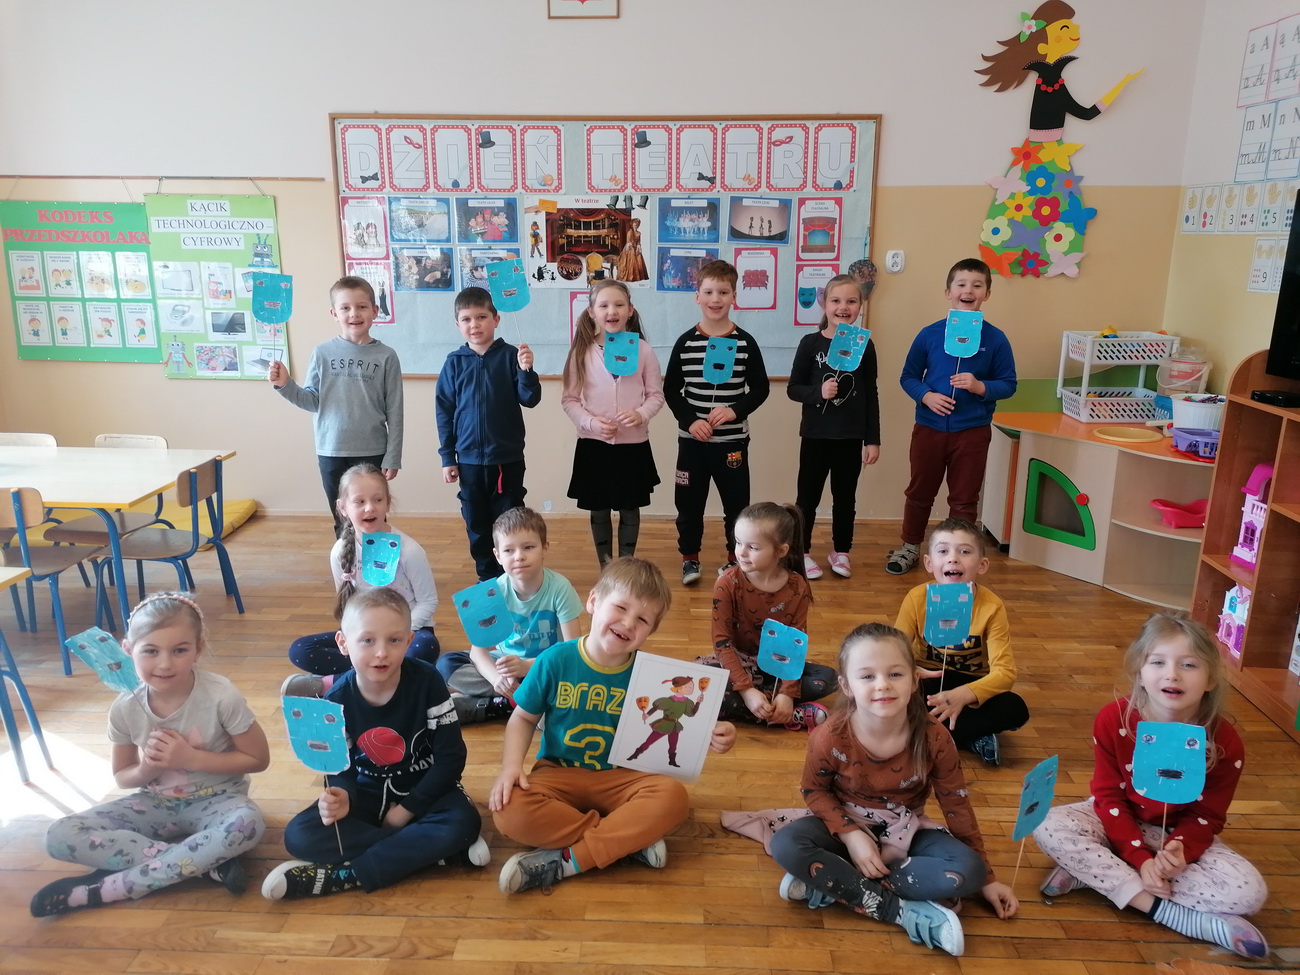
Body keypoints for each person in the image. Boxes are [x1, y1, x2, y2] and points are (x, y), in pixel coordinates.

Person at [488, 558, 737, 894]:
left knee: (673, 797)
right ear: (593, 601)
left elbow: (678, 721)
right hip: (558, 773)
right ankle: (625, 840)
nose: (628, 623)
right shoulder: (554, 659)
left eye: (642, 619)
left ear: (651, 631)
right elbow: (523, 717)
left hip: (623, 779)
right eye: (620, 608)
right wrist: (510, 767)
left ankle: (570, 860)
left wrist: (711, 733)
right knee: (508, 809)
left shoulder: (653, 676)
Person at [771, 622, 1018, 957]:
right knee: (786, 844)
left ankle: (835, 882)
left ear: (914, 680)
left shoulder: (935, 737)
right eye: (867, 676)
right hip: (844, 825)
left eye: (895, 674)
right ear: (846, 686)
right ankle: (898, 911)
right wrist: (851, 836)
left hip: (907, 828)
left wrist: (987, 878)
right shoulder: (829, 735)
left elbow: (956, 805)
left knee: (969, 872)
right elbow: (814, 791)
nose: (882, 685)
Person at [1032, 613, 1269, 959]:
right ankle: (1167, 912)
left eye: (1189, 665)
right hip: (1117, 817)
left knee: (1248, 893)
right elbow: (1109, 797)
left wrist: (1178, 853)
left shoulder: (1224, 742)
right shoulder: (1114, 720)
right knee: (1048, 825)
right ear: (1139, 673)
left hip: (1176, 832)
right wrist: (1140, 859)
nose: (1172, 674)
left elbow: (1207, 816)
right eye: (1158, 662)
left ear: (1210, 680)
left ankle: (1100, 874)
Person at [32, 593, 269, 917]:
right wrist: (146, 768)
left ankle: (109, 889)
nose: (165, 663)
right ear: (128, 650)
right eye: (151, 651)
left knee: (248, 824)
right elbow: (122, 776)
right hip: (154, 803)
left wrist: (190, 759)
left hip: (220, 801)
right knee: (59, 836)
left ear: (198, 648)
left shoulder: (221, 696)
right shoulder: (125, 708)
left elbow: (258, 759)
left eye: (179, 650)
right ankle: (204, 865)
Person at [264, 587, 487, 899]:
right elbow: (340, 770)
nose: (381, 652)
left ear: (409, 641)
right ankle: (433, 851)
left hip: (428, 789)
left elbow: (450, 758)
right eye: (368, 640)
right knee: (300, 835)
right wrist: (341, 794)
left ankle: (347, 875)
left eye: (394, 640)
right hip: (369, 792)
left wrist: (406, 811)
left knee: (463, 822)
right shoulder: (336, 700)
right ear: (343, 643)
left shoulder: (427, 681)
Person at [975, 2, 1141, 277]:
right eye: (1065, 27)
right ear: (1044, 44)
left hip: (1048, 154)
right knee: (1035, 206)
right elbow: (1086, 113)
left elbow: (1086, 113)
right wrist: (1121, 85)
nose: (1075, 29)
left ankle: (1044, 260)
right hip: (1041, 156)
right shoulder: (1049, 83)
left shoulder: (1052, 82)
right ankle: (1023, 259)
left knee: (1050, 208)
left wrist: (1121, 86)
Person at [886, 259, 1016, 575]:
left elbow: (1009, 384)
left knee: (964, 499)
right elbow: (908, 376)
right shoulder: (929, 335)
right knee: (919, 492)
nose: (968, 290)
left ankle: (959, 555)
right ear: (948, 292)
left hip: (972, 432)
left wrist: (980, 386)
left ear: (987, 294)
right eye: (961, 284)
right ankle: (910, 547)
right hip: (929, 429)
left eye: (977, 285)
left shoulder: (995, 339)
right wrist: (926, 395)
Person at [282, 463, 440, 695]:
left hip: (405, 632)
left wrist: (399, 633)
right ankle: (386, 675)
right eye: (359, 501)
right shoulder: (340, 552)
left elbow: (428, 601)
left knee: (425, 647)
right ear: (342, 508)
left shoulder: (409, 550)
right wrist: (357, 640)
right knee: (300, 650)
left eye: (378, 500)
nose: (370, 508)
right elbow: (347, 606)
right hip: (365, 634)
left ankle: (334, 682)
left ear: (388, 503)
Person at [268, 275, 404, 535]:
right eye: (345, 308)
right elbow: (311, 401)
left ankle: (376, 562)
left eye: (362, 306)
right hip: (331, 450)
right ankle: (347, 561)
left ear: (375, 311)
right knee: (343, 518)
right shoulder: (322, 353)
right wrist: (285, 384)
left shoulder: (387, 356)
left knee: (373, 517)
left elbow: (395, 410)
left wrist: (393, 455)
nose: (354, 313)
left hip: (373, 450)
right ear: (334, 313)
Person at [663, 259, 770, 584]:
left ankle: (735, 560)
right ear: (697, 296)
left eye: (723, 292)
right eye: (708, 292)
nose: (715, 298)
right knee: (688, 505)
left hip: (731, 443)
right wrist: (690, 421)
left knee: (736, 506)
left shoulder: (745, 343)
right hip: (692, 442)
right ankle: (690, 559)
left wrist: (735, 410)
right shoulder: (685, 343)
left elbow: (760, 389)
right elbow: (671, 390)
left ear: (734, 296)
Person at [893, 518, 1029, 766]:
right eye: (943, 551)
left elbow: (1005, 673)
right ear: (929, 563)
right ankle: (968, 736)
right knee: (891, 694)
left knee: (1014, 708)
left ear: (982, 565)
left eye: (965, 552)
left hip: (972, 684)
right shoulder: (916, 598)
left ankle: (925, 734)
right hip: (928, 679)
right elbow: (894, 652)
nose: (953, 559)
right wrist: (909, 671)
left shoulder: (992, 607)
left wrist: (964, 695)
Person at [435, 507, 583, 723]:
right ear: (497, 556)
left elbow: (572, 650)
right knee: (447, 664)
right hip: (506, 668)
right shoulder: (493, 591)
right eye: (509, 550)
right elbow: (478, 652)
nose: (519, 556)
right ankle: (520, 701)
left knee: (571, 677)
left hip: (546, 666)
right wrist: (497, 680)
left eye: (528, 547)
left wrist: (527, 666)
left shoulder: (560, 588)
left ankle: (501, 704)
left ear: (545, 548)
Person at [697, 502, 836, 731]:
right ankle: (791, 716)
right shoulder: (727, 582)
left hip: (776, 666)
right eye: (738, 542)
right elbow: (722, 644)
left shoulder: (797, 586)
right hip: (737, 664)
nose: (741, 552)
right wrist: (746, 690)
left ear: (781, 551)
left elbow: (794, 644)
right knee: (699, 684)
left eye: (752, 547)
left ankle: (770, 706)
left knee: (827, 678)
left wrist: (787, 693)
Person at [436, 286, 540, 581]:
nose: (475, 325)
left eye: (481, 317)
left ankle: (513, 576)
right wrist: (448, 457)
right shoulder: (454, 363)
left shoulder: (511, 356)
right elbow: (444, 412)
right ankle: (487, 579)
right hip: (469, 462)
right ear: (458, 324)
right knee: (477, 524)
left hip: (506, 460)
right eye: (467, 319)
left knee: (509, 522)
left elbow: (530, 399)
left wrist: (527, 371)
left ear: (496, 319)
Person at [562, 280, 664, 568]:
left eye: (619, 304)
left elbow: (656, 395)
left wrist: (641, 414)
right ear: (591, 312)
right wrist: (590, 423)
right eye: (604, 305)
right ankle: (606, 569)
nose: (612, 311)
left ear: (630, 310)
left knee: (630, 509)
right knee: (599, 510)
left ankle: (626, 569)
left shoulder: (643, 350)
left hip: (633, 447)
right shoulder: (582, 352)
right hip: (594, 446)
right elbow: (570, 400)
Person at [787, 273, 881, 580]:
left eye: (851, 301)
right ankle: (801, 552)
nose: (843, 307)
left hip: (850, 437)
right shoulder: (809, 343)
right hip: (815, 436)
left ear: (860, 306)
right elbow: (794, 389)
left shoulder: (865, 346)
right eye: (836, 301)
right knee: (807, 499)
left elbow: (870, 394)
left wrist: (872, 439)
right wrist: (819, 392)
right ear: (824, 304)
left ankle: (841, 550)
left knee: (845, 499)